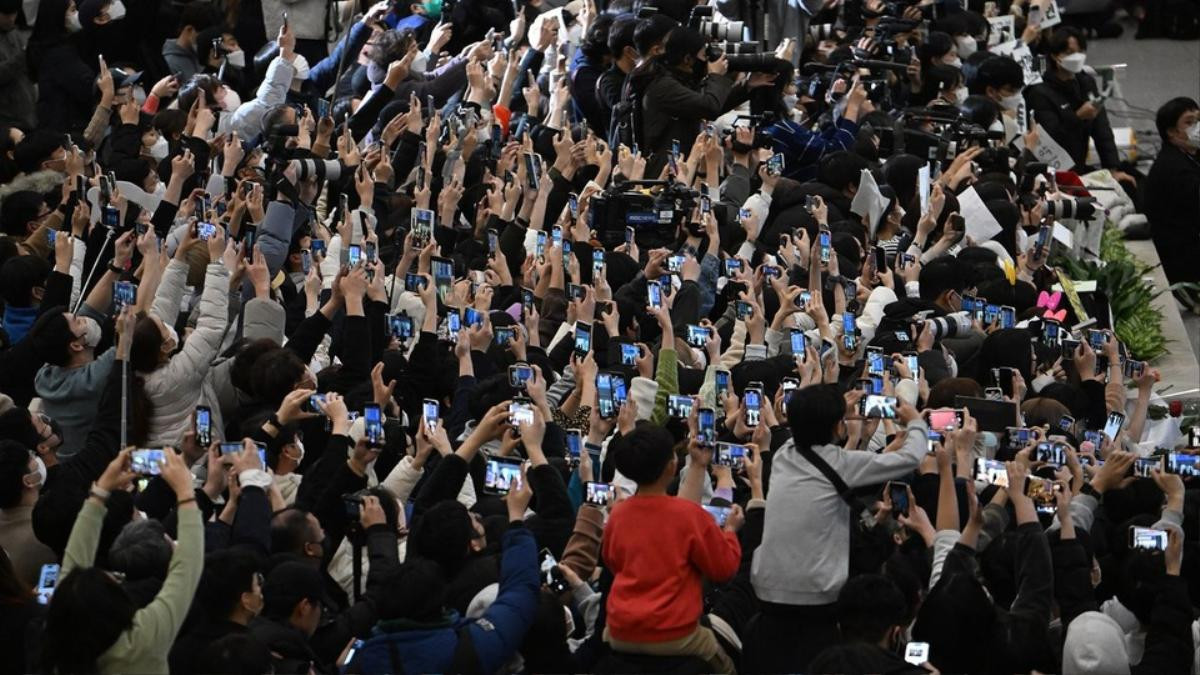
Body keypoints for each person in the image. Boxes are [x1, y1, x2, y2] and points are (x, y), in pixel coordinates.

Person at [744, 385, 927, 672]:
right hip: (818, 598)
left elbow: (808, 424)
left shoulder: (783, 455)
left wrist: (832, 408)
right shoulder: (843, 464)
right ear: (836, 425)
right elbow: (910, 458)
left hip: (766, 591)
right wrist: (916, 421)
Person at [41, 447, 202, 673]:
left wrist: (101, 492)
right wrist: (185, 491)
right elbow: (187, 568)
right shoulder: (140, 640)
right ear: (117, 609)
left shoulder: (57, 633)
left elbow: (75, 558)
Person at [602, 423, 743, 672]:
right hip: (676, 635)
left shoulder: (618, 514)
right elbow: (724, 568)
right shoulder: (689, 515)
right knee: (729, 667)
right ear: (671, 465)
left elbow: (612, 561)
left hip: (619, 631)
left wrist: (698, 465)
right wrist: (730, 533)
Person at [1024, 27, 1135, 187]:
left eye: (1081, 51)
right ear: (1056, 56)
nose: (1077, 57)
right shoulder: (1039, 92)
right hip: (1052, 174)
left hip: (1080, 167)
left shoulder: (1086, 82)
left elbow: (1101, 128)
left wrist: (1112, 168)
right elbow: (1050, 138)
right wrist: (1077, 117)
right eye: (1070, 52)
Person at [1144, 97, 1200, 313]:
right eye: (1189, 122)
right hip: (1181, 258)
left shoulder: (1187, 156)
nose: (1197, 128)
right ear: (1172, 132)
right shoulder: (1175, 170)